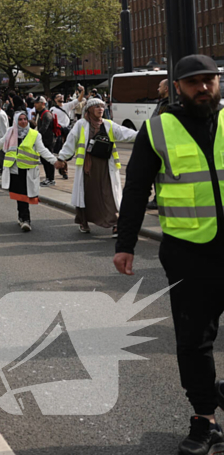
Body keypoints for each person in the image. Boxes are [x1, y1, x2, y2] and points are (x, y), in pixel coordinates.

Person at [113, 55, 224, 455]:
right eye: (193, 82)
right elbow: (137, 186)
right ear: (177, 87)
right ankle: (204, 421)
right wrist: (125, 243)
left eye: (208, 80)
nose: (203, 88)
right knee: (193, 341)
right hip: (189, 252)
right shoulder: (158, 129)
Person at [55, 97, 138, 234]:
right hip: (87, 167)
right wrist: (62, 158)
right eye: (97, 106)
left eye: (102, 106)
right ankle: (83, 221)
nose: (100, 109)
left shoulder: (108, 124)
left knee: (109, 194)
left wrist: (145, 134)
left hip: (106, 166)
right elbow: (70, 142)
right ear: (89, 110)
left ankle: (115, 222)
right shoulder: (81, 124)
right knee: (87, 194)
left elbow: (126, 134)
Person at [0, 111, 59, 232]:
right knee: (20, 195)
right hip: (15, 170)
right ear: (16, 121)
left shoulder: (34, 134)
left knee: (25, 195)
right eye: (20, 119)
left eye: (25, 119)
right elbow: (0, 143)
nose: (23, 121)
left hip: (28, 170)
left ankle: (25, 218)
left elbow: (43, 150)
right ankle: (23, 218)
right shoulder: (10, 132)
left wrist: (54, 161)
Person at [34, 97, 58, 187]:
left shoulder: (46, 114)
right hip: (44, 141)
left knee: (48, 160)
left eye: (37, 103)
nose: (35, 105)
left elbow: (44, 128)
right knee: (44, 161)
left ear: (43, 104)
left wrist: (35, 136)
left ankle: (51, 179)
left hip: (48, 141)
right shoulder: (41, 113)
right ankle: (48, 178)